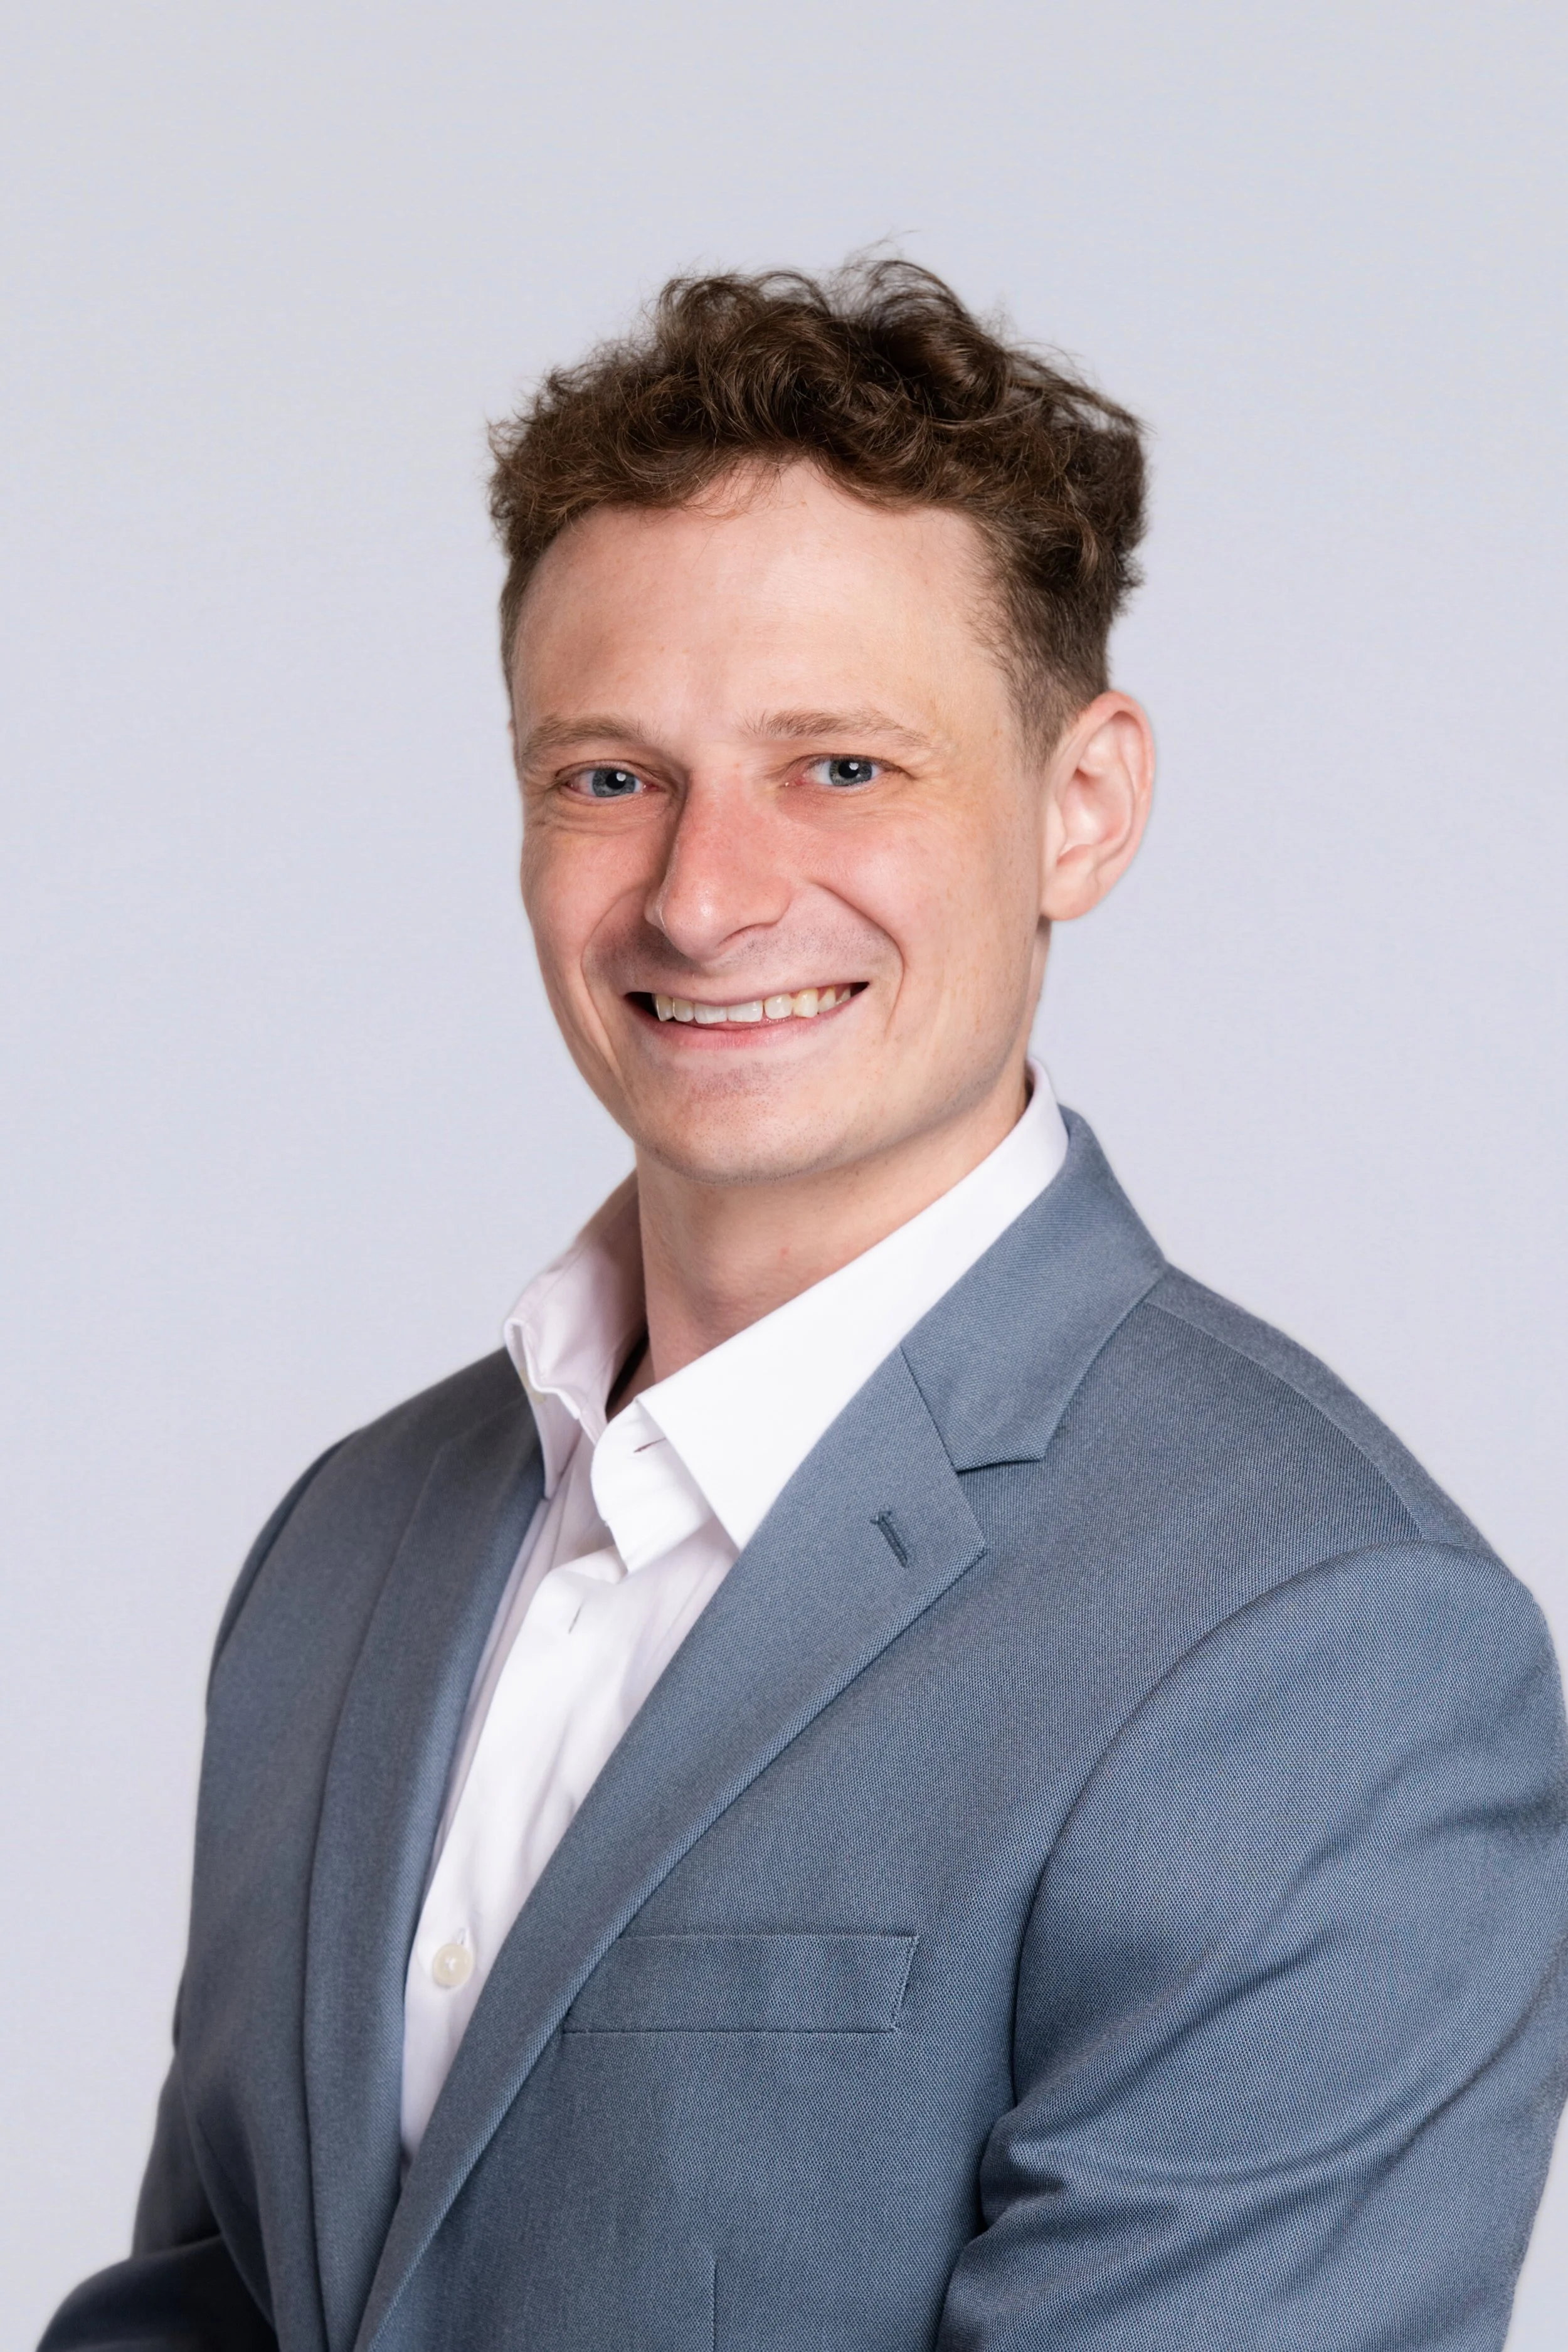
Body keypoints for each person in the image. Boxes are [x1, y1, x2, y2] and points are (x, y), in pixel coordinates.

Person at [43, 261, 1568, 2352]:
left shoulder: (1330, 1654)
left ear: (1081, 804)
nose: (699, 892)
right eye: (606, 775)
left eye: (839, 767)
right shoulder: (352, 1542)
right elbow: (219, 2305)